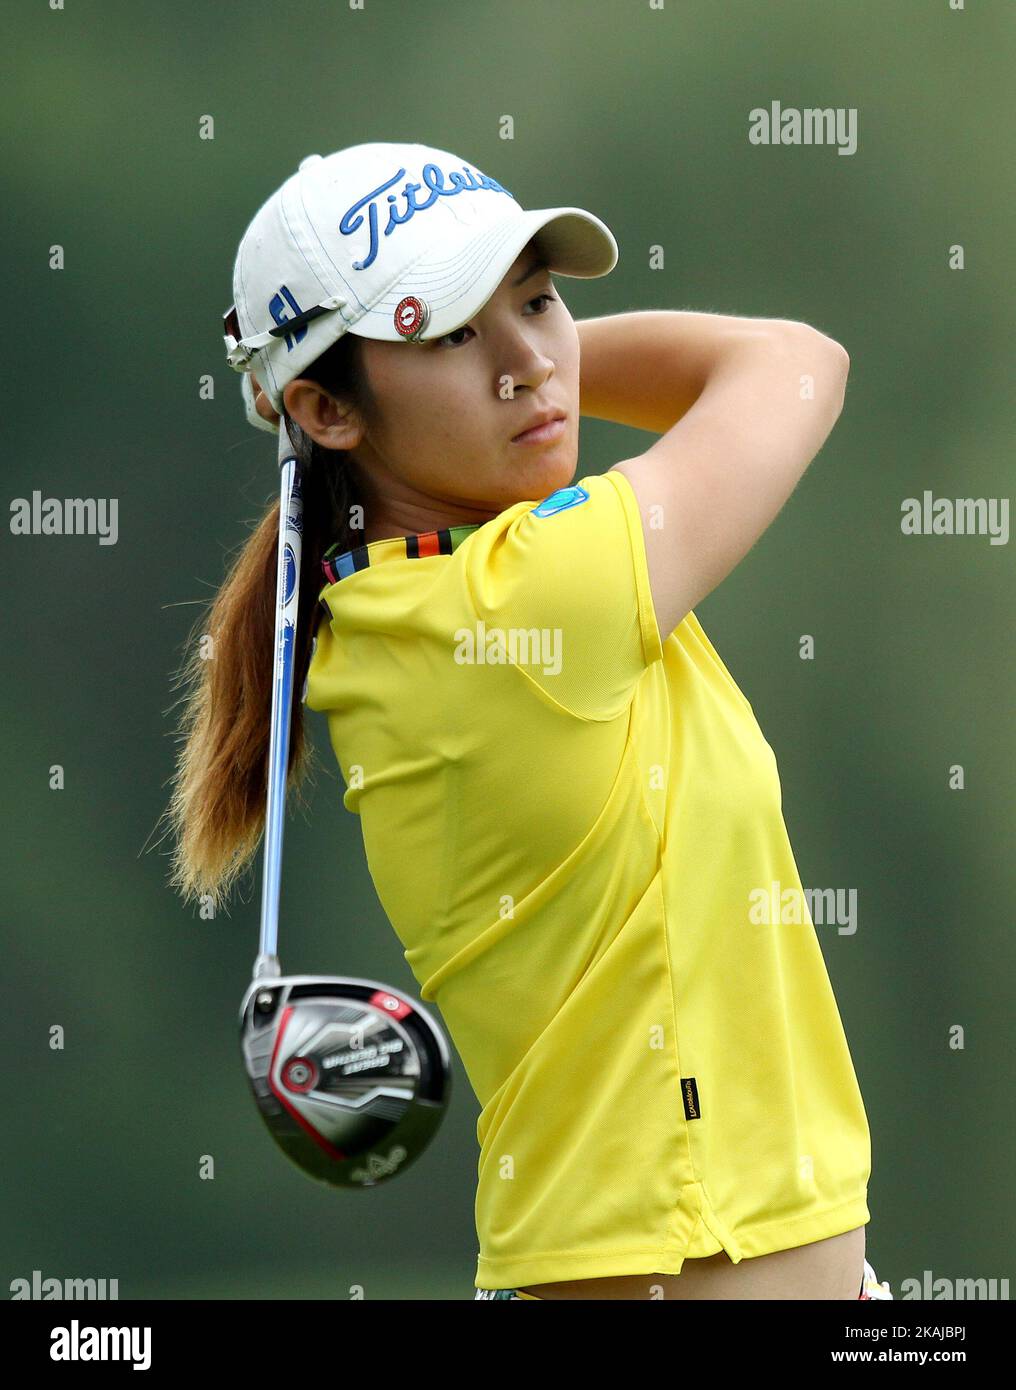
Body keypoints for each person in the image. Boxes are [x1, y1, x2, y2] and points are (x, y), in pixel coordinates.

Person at [164, 142, 892, 1301]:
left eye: (538, 301)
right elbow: (793, 362)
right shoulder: (521, 598)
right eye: (447, 331)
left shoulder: (424, 595)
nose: (524, 363)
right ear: (324, 408)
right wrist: (546, 360)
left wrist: (507, 356)